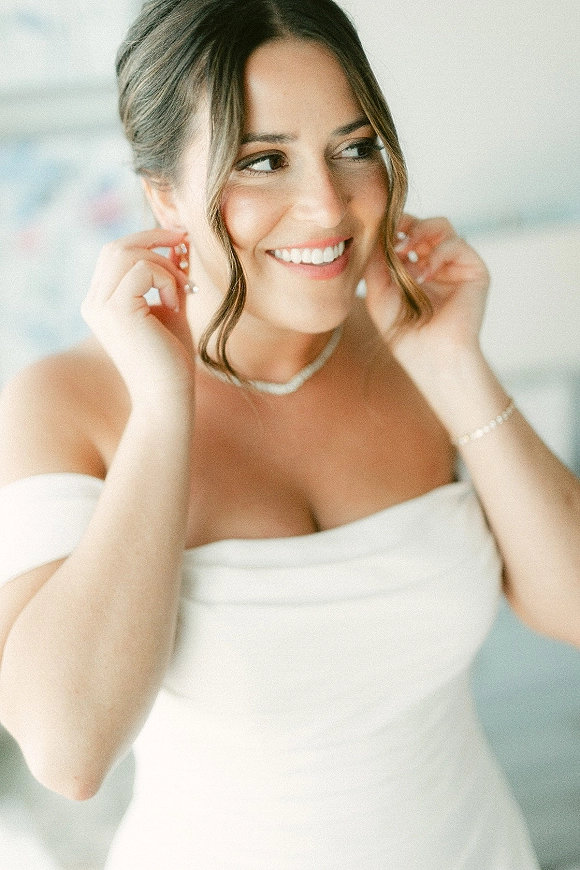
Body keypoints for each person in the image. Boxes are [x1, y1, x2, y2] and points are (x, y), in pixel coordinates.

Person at [0, 0, 579, 866]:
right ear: (163, 193)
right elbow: (68, 752)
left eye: (355, 148)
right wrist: (165, 410)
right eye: (263, 161)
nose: (328, 206)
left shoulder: (410, 345)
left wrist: (453, 365)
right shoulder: (66, 402)